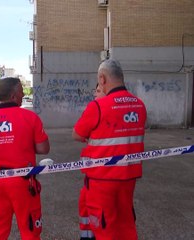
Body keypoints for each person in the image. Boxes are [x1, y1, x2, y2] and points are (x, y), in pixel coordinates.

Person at [72, 59, 147, 240]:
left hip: (102, 180)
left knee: (105, 228)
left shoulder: (98, 106)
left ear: (102, 79)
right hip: (128, 178)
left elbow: (76, 134)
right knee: (126, 224)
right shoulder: (139, 105)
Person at [0, 77, 50, 240]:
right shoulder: (30, 118)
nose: (24, 94)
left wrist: (1, 146)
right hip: (23, 182)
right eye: (21, 91)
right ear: (14, 95)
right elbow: (44, 149)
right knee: (30, 230)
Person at [78, 82, 106, 239]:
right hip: (92, 175)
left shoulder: (97, 108)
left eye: (98, 90)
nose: (95, 94)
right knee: (85, 208)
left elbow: (77, 134)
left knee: (99, 213)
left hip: (99, 177)